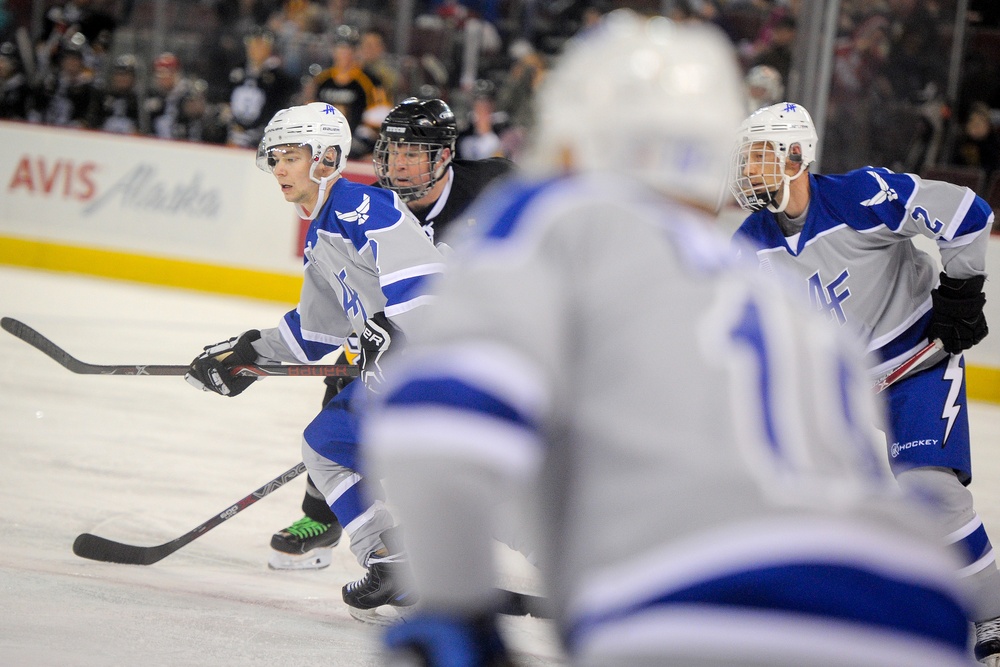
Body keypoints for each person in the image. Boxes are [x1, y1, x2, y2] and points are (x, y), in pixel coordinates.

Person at [362, 12, 973, 666]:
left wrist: (459, 610)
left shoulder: (556, 224)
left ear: (571, 140)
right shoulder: (764, 281)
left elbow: (437, 423)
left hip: (688, 605)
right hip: (903, 615)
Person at [730, 101, 997, 664]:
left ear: (797, 155)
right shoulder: (747, 243)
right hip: (838, 386)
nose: (750, 168)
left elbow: (968, 211)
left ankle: (992, 614)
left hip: (915, 362)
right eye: (748, 157)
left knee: (936, 494)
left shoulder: (861, 195)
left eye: (762, 155)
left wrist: (962, 292)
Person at [184, 101, 445, 620]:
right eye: (274, 156)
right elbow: (318, 332)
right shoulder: (322, 228)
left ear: (326, 157)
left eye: (290, 156)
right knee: (325, 444)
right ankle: (391, 560)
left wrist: (392, 331)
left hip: (442, 364)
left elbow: (430, 285)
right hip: (403, 373)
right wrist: (249, 353)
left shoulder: (361, 207)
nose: (278, 167)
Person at [268, 95, 515, 571]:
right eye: (391, 151)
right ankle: (323, 518)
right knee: (341, 387)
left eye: (412, 153)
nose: (398, 164)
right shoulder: (379, 206)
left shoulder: (494, 185)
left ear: (443, 156)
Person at [224, 26, 299, 148]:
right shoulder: (236, 71)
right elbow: (226, 99)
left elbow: (278, 105)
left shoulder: (278, 77)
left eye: (261, 44)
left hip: (262, 136)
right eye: (253, 43)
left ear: (269, 48)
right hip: (234, 133)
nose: (256, 48)